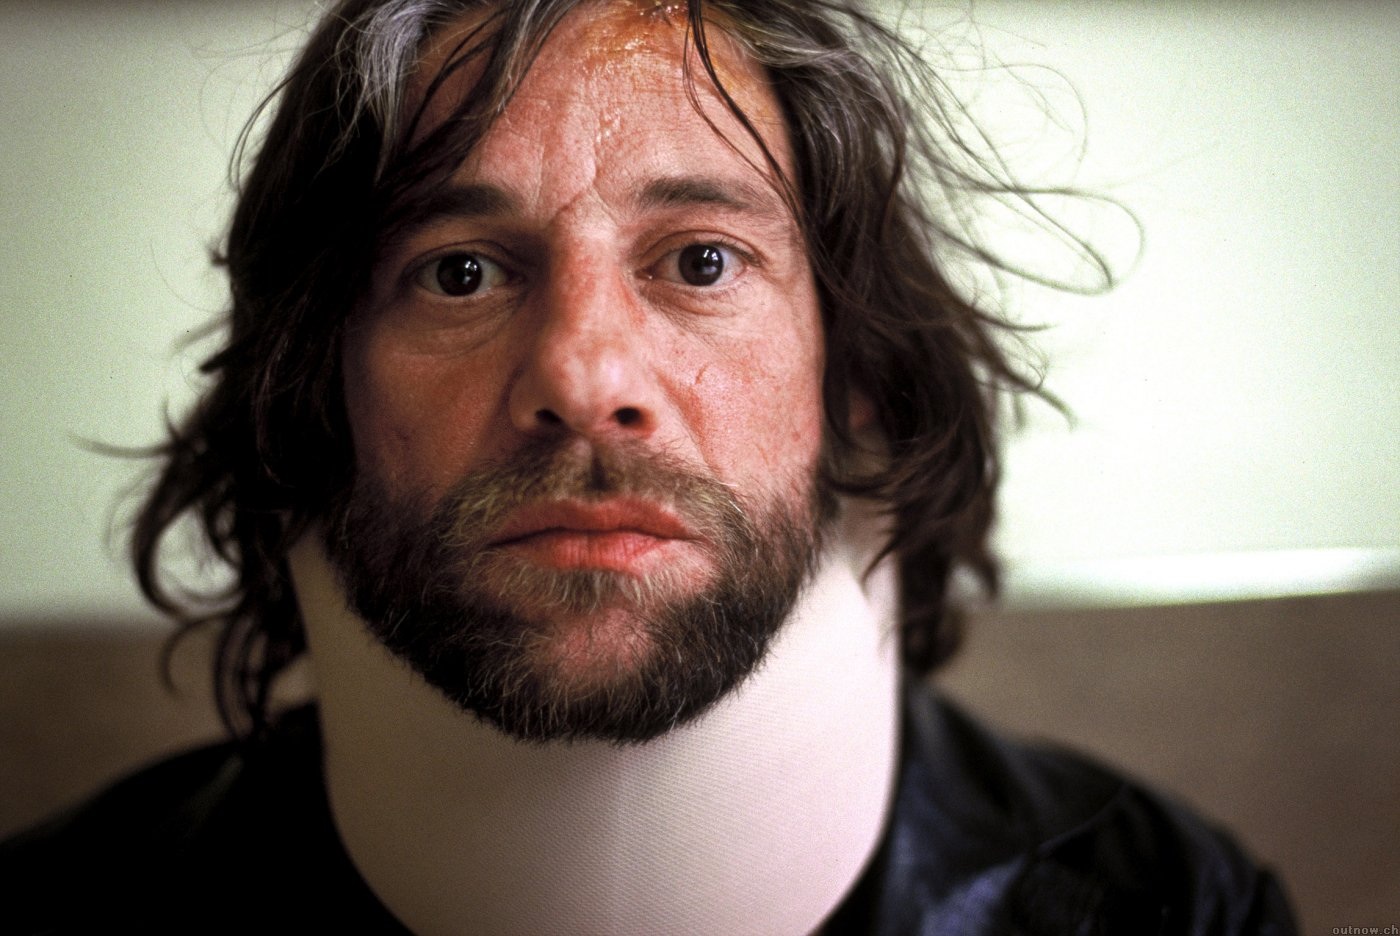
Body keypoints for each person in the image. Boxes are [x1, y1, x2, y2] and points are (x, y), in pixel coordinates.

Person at [2, 1, 1296, 933]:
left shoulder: (1173, 906)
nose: (585, 378)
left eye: (701, 261)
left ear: (852, 371)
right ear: (311, 389)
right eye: (460, 273)